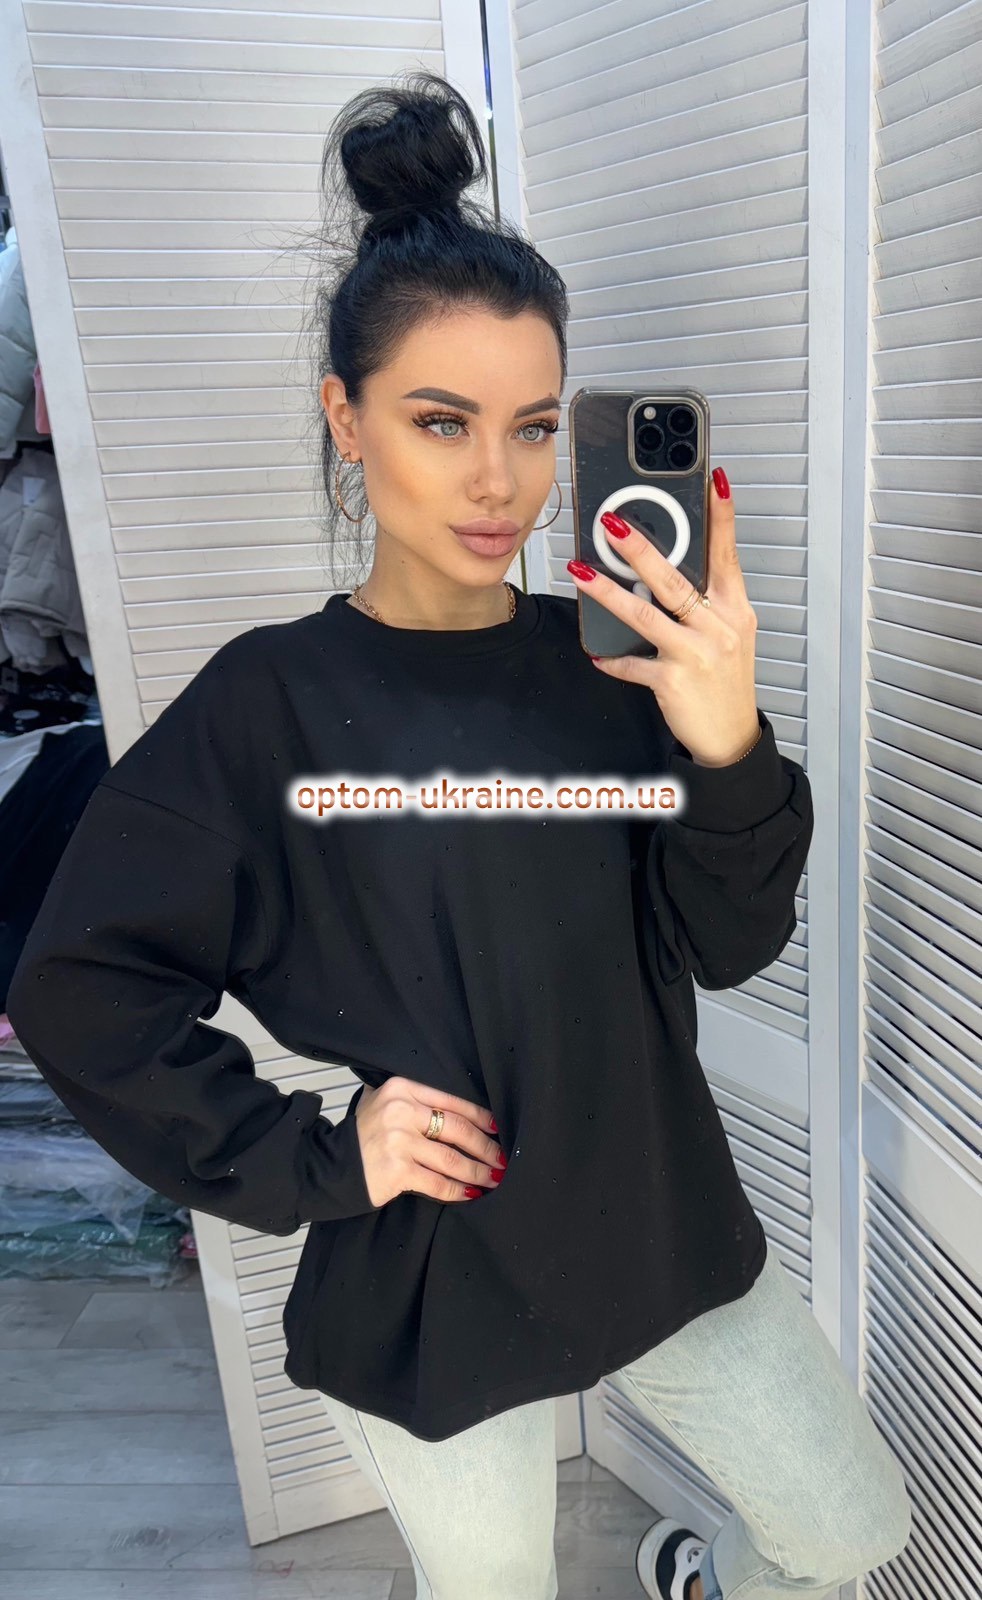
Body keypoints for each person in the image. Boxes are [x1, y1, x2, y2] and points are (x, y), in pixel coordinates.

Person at [6, 69, 911, 1600]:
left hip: (656, 1219)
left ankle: (694, 1573)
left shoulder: (613, 670)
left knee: (847, 1532)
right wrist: (311, 1153)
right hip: (434, 1266)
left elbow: (729, 945)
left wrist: (722, 740)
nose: (499, 481)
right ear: (346, 420)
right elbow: (80, 985)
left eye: (534, 426)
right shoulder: (267, 710)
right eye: (441, 421)